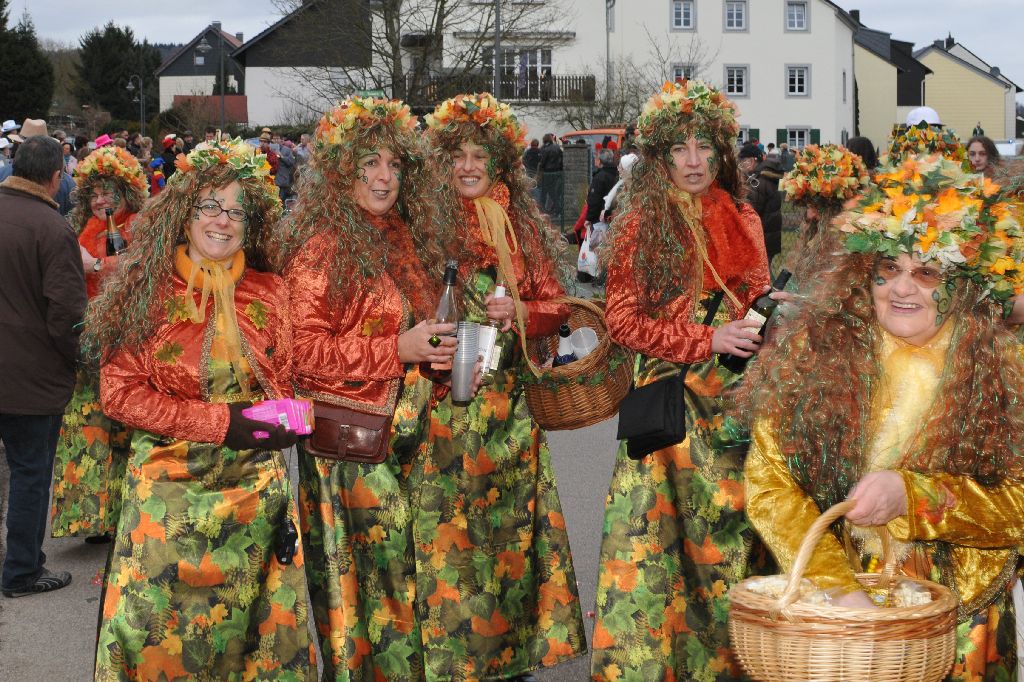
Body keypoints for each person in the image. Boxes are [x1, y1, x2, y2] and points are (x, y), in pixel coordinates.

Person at [742, 153, 1024, 680]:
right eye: (888, 269)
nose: (902, 289)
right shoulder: (816, 352)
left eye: (927, 273)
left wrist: (914, 497)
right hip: (840, 619)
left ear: (963, 283)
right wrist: (840, 589)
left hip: (960, 622)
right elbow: (769, 483)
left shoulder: (1006, 369)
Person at [90, 137, 314, 678]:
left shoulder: (272, 291)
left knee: (249, 645)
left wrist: (291, 416)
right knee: (158, 642)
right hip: (167, 500)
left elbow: (295, 376)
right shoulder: (145, 291)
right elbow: (118, 392)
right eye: (210, 205)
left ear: (251, 224)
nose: (222, 220)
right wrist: (220, 423)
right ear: (184, 214)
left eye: (236, 210)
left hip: (254, 501)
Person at [591, 80, 771, 682]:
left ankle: (732, 664)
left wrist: (769, 311)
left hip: (734, 403)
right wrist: (705, 339)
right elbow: (621, 322)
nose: (693, 161)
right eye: (679, 149)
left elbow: (755, 294)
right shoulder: (641, 223)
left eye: (704, 147)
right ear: (661, 156)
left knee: (730, 539)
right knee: (657, 546)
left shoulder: (745, 217)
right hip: (669, 406)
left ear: (721, 152)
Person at [276, 96, 455, 681]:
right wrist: (396, 350)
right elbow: (301, 356)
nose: (385, 177)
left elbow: (414, 334)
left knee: (403, 584)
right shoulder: (322, 247)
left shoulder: (401, 239)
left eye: (395, 165)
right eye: (370, 163)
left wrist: (437, 360)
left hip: (400, 439)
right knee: (364, 593)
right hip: (345, 449)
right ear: (341, 171)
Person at [423, 92, 587, 679]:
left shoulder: (519, 226)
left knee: (508, 545)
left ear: (499, 165)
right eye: (458, 156)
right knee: (449, 547)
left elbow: (558, 306)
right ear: (442, 161)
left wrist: (520, 311)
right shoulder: (423, 223)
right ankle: (453, 663)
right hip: (439, 414)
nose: (469, 167)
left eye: (480, 156)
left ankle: (510, 660)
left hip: (509, 417)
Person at [0, 135, 87, 598]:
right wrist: (81, 358)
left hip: (19, 371)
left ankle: (21, 566)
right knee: (30, 474)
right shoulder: (52, 228)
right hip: (29, 378)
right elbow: (67, 313)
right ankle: (22, 571)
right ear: (56, 177)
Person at [49, 146, 149, 545]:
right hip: (87, 341)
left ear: (127, 192)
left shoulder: (140, 225)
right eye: (94, 193)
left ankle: (128, 510)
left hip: (128, 340)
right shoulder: (80, 227)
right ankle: (92, 516)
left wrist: (92, 264)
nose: (101, 200)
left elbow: (137, 270)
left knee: (126, 427)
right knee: (89, 427)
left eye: (109, 192)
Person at [778, 143, 871, 278]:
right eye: (808, 207)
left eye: (815, 207)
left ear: (835, 208)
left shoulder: (849, 244)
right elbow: (793, 264)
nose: (810, 215)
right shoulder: (811, 230)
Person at [740, 145, 784, 264]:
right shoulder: (765, 176)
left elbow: (750, 210)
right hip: (768, 237)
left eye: (742, 161)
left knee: (761, 273)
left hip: (761, 240)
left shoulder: (758, 181)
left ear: (751, 161)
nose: (741, 165)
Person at [538, 132, 563, 216]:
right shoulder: (557, 147)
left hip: (547, 172)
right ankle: (556, 208)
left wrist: (540, 169)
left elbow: (542, 161)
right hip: (557, 172)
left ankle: (543, 209)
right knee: (552, 191)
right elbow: (562, 158)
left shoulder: (544, 148)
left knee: (545, 192)